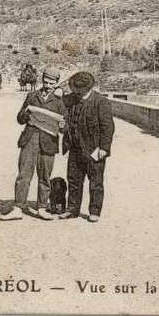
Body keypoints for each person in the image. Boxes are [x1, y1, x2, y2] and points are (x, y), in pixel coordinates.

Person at [0, 67, 65, 221]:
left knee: (45, 177)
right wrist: (26, 113)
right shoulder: (31, 96)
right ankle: (18, 207)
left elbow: (64, 126)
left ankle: (42, 207)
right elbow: (19, 119)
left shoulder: (60, 102)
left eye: (51, 83)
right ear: (42, 80)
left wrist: (63, 125)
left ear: (56, 84)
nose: (47, 85)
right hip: (30, 139)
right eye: (45, 81)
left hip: (48, 142)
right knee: (24, 175)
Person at [59, 71, 114, 222]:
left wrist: (104, 148)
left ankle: (94, 211)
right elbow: (60, 100)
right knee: (73, 180)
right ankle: (72, 209)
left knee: (95, 182)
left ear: (88, 89)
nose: (78, 94)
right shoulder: (71, 99)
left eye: (80, 91)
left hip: (94, 149)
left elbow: (108, 127)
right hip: (75, 148)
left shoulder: (101, 102)